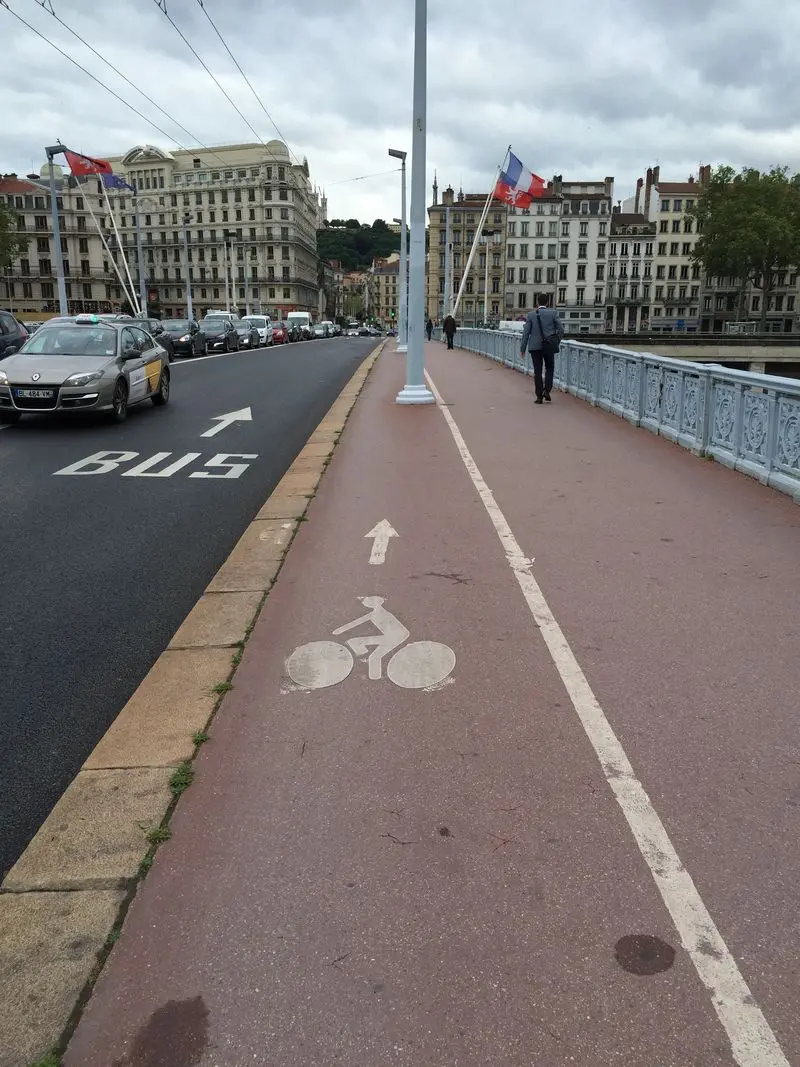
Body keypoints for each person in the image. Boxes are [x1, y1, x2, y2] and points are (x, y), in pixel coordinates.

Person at [520, 297, 564, 403]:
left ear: (537, 302)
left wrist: (523, 348)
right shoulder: (553, 313)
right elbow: (561, 329)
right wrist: (556, 341)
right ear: (548, 302)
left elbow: (526, 333)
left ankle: (539, 397)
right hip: (549, 346)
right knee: (550, 368)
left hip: (535, 347)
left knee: (537, 371)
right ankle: (547, 391)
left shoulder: (531, 315)